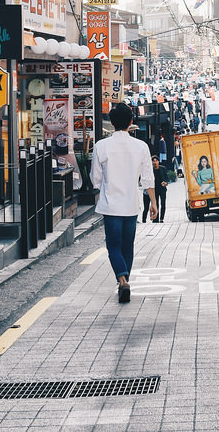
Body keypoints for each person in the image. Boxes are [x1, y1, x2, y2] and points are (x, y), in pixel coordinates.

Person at [91, 103, 156, 303]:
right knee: (128, 245)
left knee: (113, 245)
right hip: (131, 203)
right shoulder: (141, 147)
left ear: (111, 123)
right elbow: (147, 178)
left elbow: (96, 179)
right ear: (130, 122)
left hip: (110, 204)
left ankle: (122, 279)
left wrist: (106, 187)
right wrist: (153, 203)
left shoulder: (101, 146)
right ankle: (124, 280)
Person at [143, 155, 169, 223]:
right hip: (155, 190)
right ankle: (156, 218)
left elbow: (167, 178)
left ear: (158, 161)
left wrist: (165, 183)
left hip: (162, 189)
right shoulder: (150, 170)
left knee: (163, 204)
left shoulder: (163, 168)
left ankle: (161, 218)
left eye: (156, 161)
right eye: (153, 161)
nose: (155, 162)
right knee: (155, 203)